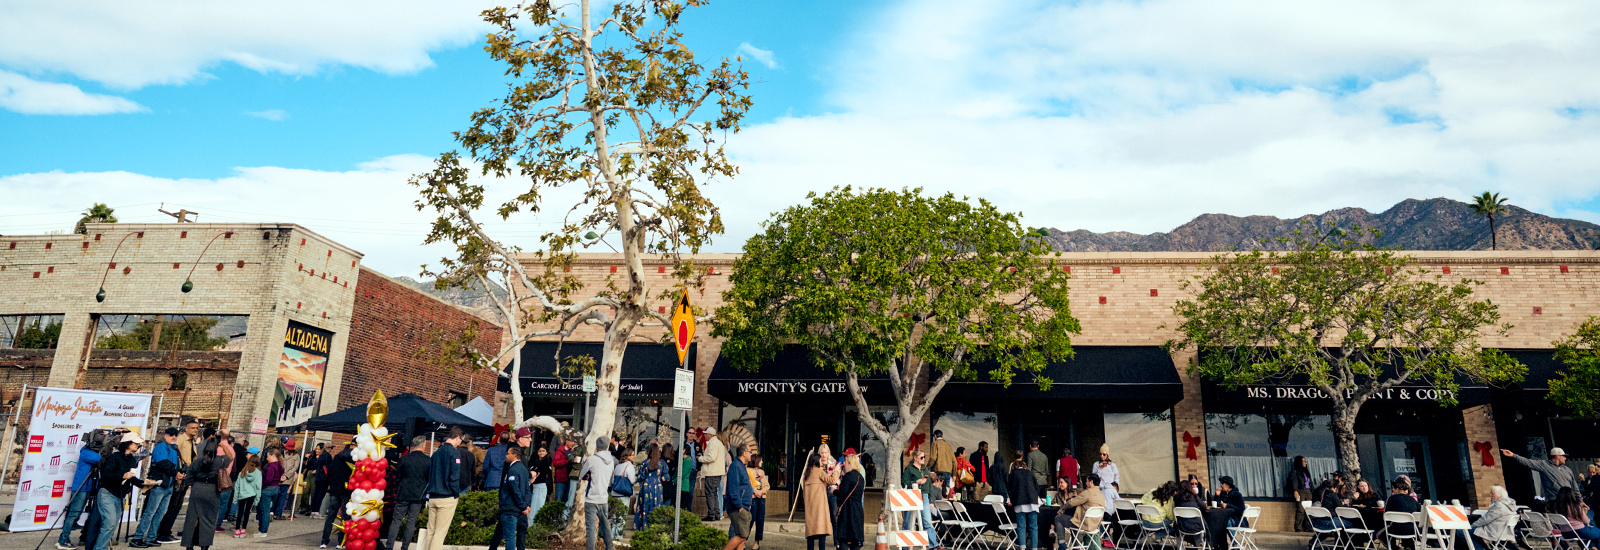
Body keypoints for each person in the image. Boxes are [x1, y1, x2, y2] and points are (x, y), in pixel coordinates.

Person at [130, 428, 181, 547]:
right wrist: (176, 473)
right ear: (166, 435)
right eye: (171, 435)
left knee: (160, 512)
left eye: (175, 435)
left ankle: (151, 537)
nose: (174, 437)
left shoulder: (173, 448)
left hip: (168, 484)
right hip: (159, 484)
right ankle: (137, 537)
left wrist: (179, 473)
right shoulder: (161, 446)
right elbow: (162, 463)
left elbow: (174, 465)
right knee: (150, 512)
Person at [92, 433, 143, 550]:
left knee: (112, 525)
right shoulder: (114, 456)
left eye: (137, 443)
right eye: (135, 443)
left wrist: (143, 484)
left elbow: (130, 477)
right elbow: (106, 475)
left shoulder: (131, 459)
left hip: (120, 495)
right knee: (109, 524)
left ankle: (101, 547)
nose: (137, 445)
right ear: (127, 443)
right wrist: (123, 475)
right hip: (108, 493)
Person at [180, 436, 231, 550]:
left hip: (198, 488)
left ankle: (189, 545)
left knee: (192, 518)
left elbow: (189, 478)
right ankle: (204, 546)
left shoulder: (197, 462)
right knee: (209, 519)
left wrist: (194, 484)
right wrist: (222, 445)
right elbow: (230, 457)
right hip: (212, 489)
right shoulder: (221, 461)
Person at [57, 430, 104, 550]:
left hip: (91, 486)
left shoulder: (92, 452)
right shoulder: (87, 453)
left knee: (90, 513)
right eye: (102, 437)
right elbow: (101, 460)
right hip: (82, 487)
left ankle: (85, 537)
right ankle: (63, 540)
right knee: (74, 513)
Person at [156, 419, 202, 544]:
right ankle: (162, 532)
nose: (195, 430)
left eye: (197, 428)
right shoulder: (180, 439)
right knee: (172, 506)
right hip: (178, 477)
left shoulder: (192, 442)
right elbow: (176, 458)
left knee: (177, 506)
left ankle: (167, 531)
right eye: (193, 428)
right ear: (186, 429)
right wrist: (177, 474)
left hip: (187, 477)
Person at [1502, 447, 1582, 511]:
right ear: (1557, 456)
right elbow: (1528, 462)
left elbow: (1575, 487)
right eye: (1563, 456)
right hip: (1555, 502)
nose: (1565, 458)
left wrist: (1580, 501)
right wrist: (1513, 455)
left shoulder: (1567, 470)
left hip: (1570, 501)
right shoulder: (1544, 465)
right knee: (1560, 524)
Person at [387, 436, 432, 550]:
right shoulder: (428, 461)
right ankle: (404, 547)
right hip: (418, 494)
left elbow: (398, 476)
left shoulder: (404, 459)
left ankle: (389, 546)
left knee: (396, 520)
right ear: (423, 446)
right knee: (411, 522)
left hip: (403, 492)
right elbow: (429, 478)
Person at [426, 427, 466, 550]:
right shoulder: (454, 453)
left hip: (433, 495)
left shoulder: (436, 452)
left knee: (430, 532)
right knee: (440, 533)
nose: (461, 443)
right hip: (447, 496)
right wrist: (456, 494)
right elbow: (454, 476)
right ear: (458, 437)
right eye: (461, 440)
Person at [580, 436, 618, 550]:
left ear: (597, 446)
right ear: (607, 446)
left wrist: (589, 475)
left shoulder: (592, 459)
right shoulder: (612, 461)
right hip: (603, 498)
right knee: (606, 526)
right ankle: (610, 547)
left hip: (591, 498)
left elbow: (582, 474)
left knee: (591, 529)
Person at [1451, 485, 1518, 550]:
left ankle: (1480, 548)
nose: (1491, 495)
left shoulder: (1499, 506)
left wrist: (1471, 526)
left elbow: (1485, 520)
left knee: (1461, 532)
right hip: (1503, 532)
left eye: (1492, 493)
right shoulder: (1510, 505)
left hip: (1493, 532)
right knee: (1475, 533)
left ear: (1498, 494)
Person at [1056, 473, 1106, 550]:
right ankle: (1075, 547)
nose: (1085, 483)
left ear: (1091, 482)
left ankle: (1062, 545)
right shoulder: (1101, 494)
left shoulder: (1088, 492)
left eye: (1086, 481)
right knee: (1074, 519)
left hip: (1084, 524)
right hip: (1095, 525)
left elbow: (1072, 502)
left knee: (1059, 518)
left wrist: (1062, 509)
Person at [320, 442, 356, 549]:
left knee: (330, 516)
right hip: (347, 490)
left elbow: (329, 471)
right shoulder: (356, 458)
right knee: (345, 516)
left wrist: (331, 483)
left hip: (335, 489)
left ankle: (324, 541)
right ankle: (340, 542)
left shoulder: (337, 456)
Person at [498, 447, 533, 550]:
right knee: (520, 534)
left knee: (509, 538)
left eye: (508, 453)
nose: (506, 455)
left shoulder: (513, 469)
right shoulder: (524, 469)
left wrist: (523, 506)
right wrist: (527, 505)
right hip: (520, 509)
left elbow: (515, 490)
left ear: (514, 455)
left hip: (511, 508)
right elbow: (527, 489)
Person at [723, 444, 757, 550]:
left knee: (742, 538)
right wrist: (739, 506)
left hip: (744, 506)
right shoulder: (736, 466)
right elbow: (733, 488)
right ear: (744, 453)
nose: (751, 454)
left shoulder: (742, 466)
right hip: (738, 507)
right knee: (741, 536)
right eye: (750, 452)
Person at [803, 452, 838, 550]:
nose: (821, 460)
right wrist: (837, 471)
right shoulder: (819, 471)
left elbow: (804, 493)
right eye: (820, 459)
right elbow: (832, 481)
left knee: (811, 534)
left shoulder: (806, 473)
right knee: (821, 533)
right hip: (820, 508)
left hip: (810, 507)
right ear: (816, 461)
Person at [833, 453, 866, 550]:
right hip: (858, 509)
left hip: (847, 510)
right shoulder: (861, 477)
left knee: (843, 537)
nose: (844, 464)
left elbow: (842, 492)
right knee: (855, 540)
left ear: (850, 463)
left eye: (846, 462)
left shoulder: (848, 476)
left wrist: (833, 491)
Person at [1009, 455, 1042, 550]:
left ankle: (1022, 548)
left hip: (1019, 502)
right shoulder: (1030, 473)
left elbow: (1010, 489)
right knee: (1033, 527)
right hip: (1032, 501)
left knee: (1021, 527)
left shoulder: (1013, 474)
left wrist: (1012, 500)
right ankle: (1034, 548)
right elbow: (1036, 487)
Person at [635, 445, 670, 530]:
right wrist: (660, 478)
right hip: (657, 486)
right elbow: (667, 477)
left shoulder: (645, 462)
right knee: (657, 506)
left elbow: (640, 477)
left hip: (646, 486)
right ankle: (656, 527)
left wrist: (647, 477)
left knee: (645, 505)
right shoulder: (662, 463)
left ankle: (644, 527)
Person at [700, 428, 729, 521]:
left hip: (712, 472)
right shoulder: (719, 443)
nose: (704, 435)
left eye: (706, 434)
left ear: (710, 435)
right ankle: (716, 513)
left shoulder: (713, 443)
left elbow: (711, 457)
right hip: (718, 472)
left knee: (710, 494)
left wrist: (700, 458)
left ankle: (711, 514)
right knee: (714, 493)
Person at [232, 456, 263, 538]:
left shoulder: (242, 471)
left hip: (242, 494)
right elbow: (258, 487)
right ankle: (243, 531)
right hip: (251, 495)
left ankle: (237, 531)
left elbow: (237, 486)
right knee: (247, 513)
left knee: (240, 513)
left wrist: (235, 498)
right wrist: (257, 500)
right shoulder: (258, 473)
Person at [1174, 480, 1208, 547]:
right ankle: (1200, 544)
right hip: (1196, 527)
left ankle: (1180, 547)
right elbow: (1204, 506)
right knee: (1197, 521)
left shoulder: (1176, 498)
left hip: (1182, 526)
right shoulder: (1194, 497)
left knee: (1176, 524)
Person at [1285, 456, 1314, 532]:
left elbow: (1310, 483)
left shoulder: (1306, 472)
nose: (1305, 463)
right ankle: (1298, 527)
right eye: (1303, 461)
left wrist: (1312, 492)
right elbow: (1293, 482)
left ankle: (1308, 527)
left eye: (1305, 461)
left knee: (1309, 510)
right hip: (1300, 491)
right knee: (1300, 510)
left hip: (1308, 491)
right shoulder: (1295, 471)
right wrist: (1295, 491)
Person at [749, 454, 769, 550]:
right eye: (761, 460)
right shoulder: (748, 471)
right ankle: (743, 540)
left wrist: (761, 492)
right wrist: (755, 491)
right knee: (750, 519)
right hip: (752, 498)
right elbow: (748, 484)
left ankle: (757, 542)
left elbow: (767, 485)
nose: (762, 462)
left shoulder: (761, 471)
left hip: (761, 498)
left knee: (760, 520)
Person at [485, 428, 514, 493]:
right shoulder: (511, 451)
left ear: (498, 439)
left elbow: (486, 467)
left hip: (491, 480)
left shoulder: (491, 450)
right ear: (509, 440)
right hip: (505, 480)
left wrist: (485, 479)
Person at [552, 437, 574, 518]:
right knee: (558, 501)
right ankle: (555, 519)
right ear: (567, 441)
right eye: (571, 441)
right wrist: (566, 461)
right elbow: (555, 463)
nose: (573, 443)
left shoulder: (574, 450)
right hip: (561, 479)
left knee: (568, 500)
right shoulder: (560, 450)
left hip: (570, 479)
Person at [309, 443, 331, 516]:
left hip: (318, 476)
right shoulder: (327, 456)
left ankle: (313, 510)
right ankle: (317, 511)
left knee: (316, 493)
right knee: (321, 494)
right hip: (324, 477)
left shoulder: (320, 456)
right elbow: (328, 468)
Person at [531, 445, 554, 514]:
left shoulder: (546, 462)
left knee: (538, 506)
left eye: (543, 451)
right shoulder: (535, 462)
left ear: (546, 452)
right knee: (534, 506)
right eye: (540, 451)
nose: (541, 453)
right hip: (535, 486)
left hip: (541, 485)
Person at [681, 441, 698, 510]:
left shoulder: (687, 460)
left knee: (689, 493)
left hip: (692, 472)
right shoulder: (684, 460)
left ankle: (688, 510)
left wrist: (674, 480)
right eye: (690, 433)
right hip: (684, 482)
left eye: (693, 433)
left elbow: (683, 474)